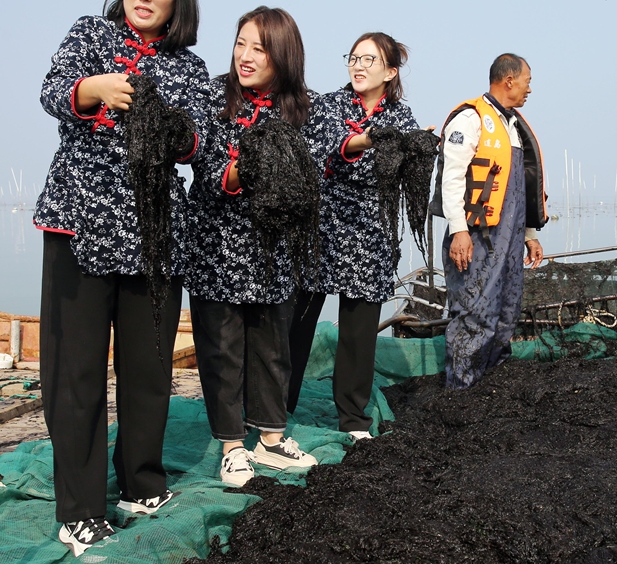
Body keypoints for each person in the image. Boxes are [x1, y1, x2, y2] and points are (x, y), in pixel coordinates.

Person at [35, 0, 207, 557]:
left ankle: (142, 484)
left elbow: (199, 142)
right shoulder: (90, 32)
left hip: (155, 231)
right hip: (81, 221)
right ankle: (80, 510)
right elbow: (52, 92)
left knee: (150, 367)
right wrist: (95, 89)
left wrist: (174, 127)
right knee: (76, 370)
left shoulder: (189, 66)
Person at [185, 6, 317, 488]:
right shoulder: (211, 95)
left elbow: (315, 170)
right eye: (241, 43)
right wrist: (253, 158)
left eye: (259, 48)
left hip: (275, 250)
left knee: (272, 345)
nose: (246, 56)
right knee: (222, 349)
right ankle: (232, 446)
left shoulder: (303, 107)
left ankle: (273, 437)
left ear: (282, 54)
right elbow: (210, 169)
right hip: (216, 243)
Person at [288, 32, 425, 441]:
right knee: (296, 323)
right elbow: (312, 152)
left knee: (358, 333)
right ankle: (275, 412)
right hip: (318, 225)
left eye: (370, 59)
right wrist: (359, 142)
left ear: (390, 71)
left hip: (370, 231)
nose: (359, 66)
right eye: (354, 58)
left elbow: (409, 174)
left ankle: (352, 418)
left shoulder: (402, 118)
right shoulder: (326, 106)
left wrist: (420, 153)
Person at [430, 53, 547, 390]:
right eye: (527, 81)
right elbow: (451, 180)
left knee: (506, 313)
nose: (529, 89)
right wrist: (459, 231)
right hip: (476, 237)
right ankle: (462, 390)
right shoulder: (470, 119)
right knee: (474, 313)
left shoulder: (513, 126)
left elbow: (519, 188)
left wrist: (529, 234)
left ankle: (492, 389)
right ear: (509, 79)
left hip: (509, 239)